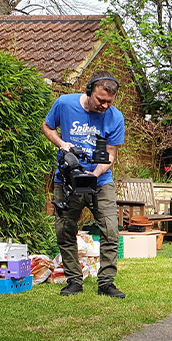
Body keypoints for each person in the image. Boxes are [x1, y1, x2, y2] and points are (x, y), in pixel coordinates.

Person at [42, 71, 126, 298]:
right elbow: (47, 127)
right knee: (65, 229)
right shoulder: (64, 103)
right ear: (89, 91)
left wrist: (94, 173)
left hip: (101, 181)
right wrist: (62, 144)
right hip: (67, 180)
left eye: (109, 101)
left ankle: (106, 283)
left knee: (110, 230)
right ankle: (73, 281)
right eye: (101, 100)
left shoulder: (116, 117)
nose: (105, 106)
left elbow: (110, 155)